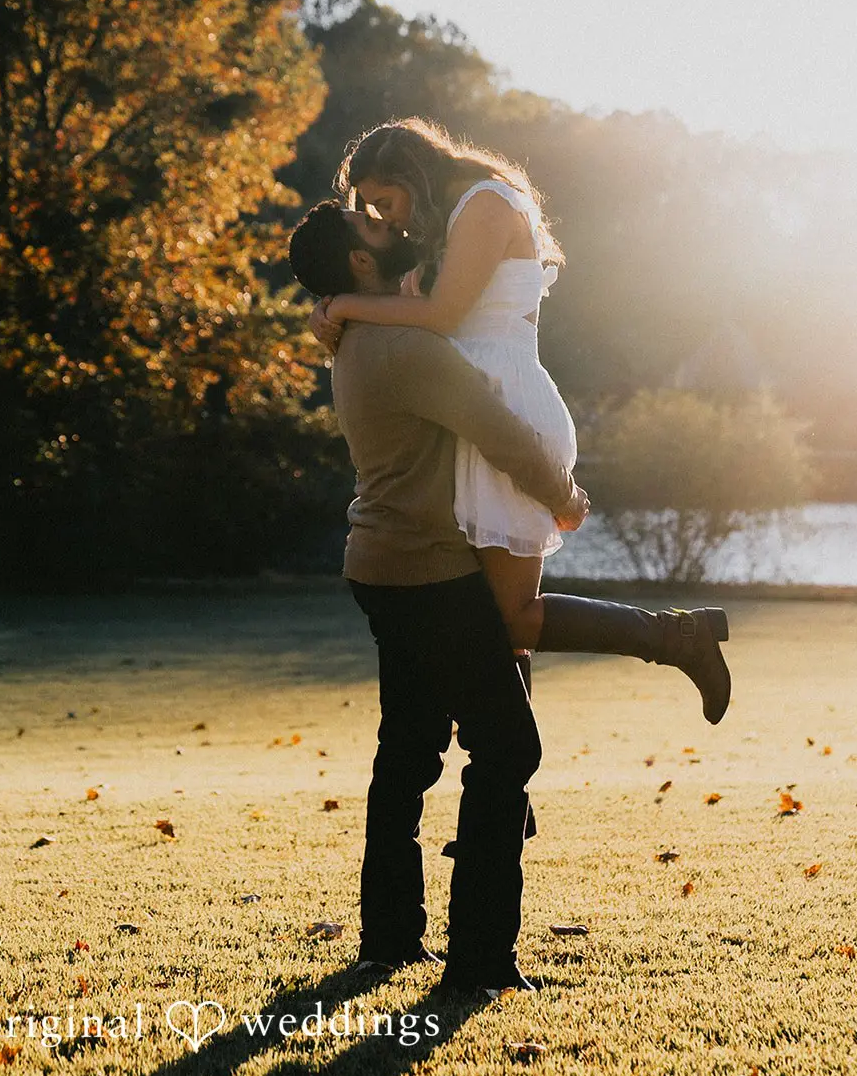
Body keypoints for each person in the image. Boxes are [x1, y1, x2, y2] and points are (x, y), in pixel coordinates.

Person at [288, 197, 731, 1000]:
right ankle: (479, 962)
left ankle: (387, 940)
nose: (389, 225)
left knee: (410, 751)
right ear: (358, 260)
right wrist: (561, 496)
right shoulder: (400, 347)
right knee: (507, 750)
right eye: (374, 227)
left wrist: (343, 304)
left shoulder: (357, 336)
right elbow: (496, 427)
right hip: (427, 573)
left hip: (381, 564)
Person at [309, 119, 730, 714]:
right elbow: (420, 313)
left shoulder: (482, 204)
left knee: (512, 623)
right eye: (371, 210)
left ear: (411, 174)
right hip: (470, 404)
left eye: (385, 200)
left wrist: (347, 303)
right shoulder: (444, 224)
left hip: (506, 404)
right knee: (499, 635)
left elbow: (447, 316)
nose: (387, 217)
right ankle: (513, 805)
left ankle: (676, 637)